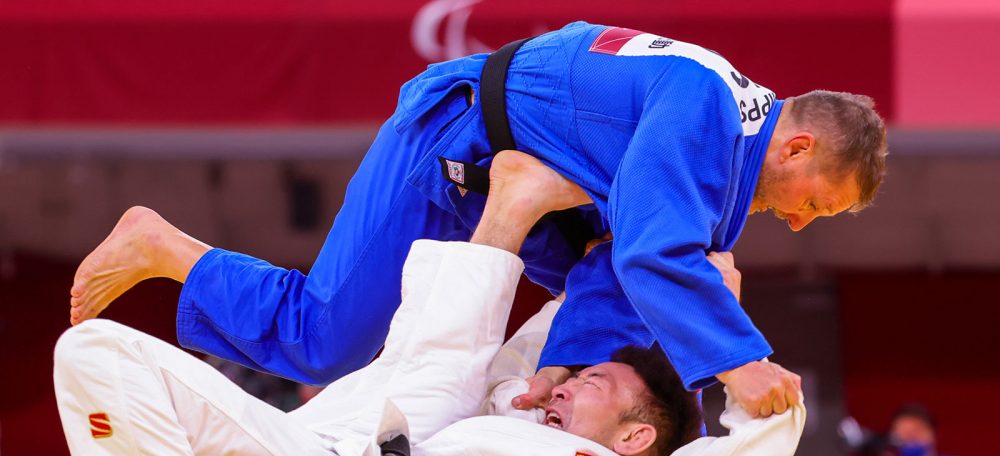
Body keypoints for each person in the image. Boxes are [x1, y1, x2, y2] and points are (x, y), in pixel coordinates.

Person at [68, 21, 887, 420]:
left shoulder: (727, 143)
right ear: (801, 144)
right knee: (326, 340)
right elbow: (647, 253)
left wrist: (564, 372)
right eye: (819, 199)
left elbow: (631, 262)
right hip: (454, 138)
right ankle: (166, 246)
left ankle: (564, 390)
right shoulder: (707, 107)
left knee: (669, 277)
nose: (806, 223)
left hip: (538, 173)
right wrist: (741, 360)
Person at [54, 173, 804, 456]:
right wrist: (698, 296)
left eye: (591, 383)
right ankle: (511, 207)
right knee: (463, 362)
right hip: (351, 447)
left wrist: (734, 350)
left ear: (635, 438)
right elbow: (542, 342)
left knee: (94, 347)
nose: (568, 384)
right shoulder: (529, 418)